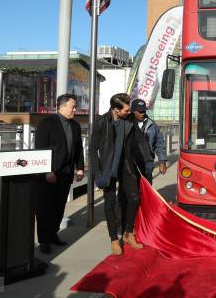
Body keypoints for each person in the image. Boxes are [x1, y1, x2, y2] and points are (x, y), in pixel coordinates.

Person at [89, 93, 145, 255]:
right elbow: (92, 149)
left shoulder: (129, 120)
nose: (129, 112)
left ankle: (128, 233)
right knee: (109, 204)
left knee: (134, 198)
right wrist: (97, 173)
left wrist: (146, 162)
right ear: (115, 109)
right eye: (126, 110)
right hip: (108, 169)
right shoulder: (101, 122)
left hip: (126, 166)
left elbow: (139, 142)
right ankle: (114, 239)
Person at [35, 93, 85, 254]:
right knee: (45, 208)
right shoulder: (47, 123)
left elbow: (78, 149)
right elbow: (40, 149)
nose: (75, 109)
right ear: (62, 106)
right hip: (50, 173)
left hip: (66, 173)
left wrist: (80, 167)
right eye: (73, 106)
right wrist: (47, 170)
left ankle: (53, 234)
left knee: (59, 207)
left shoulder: (75, 126)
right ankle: (44, 241)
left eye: (75, 106)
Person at [130, 99, 167, 184]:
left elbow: (160, 144)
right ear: (133, 111)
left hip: (147, 162)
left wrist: (162, 161)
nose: (143, 113)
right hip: (131, 162)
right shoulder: (126, 123)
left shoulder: (153, 125)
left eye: (144, 110)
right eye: (140, 111)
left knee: (146, 188)